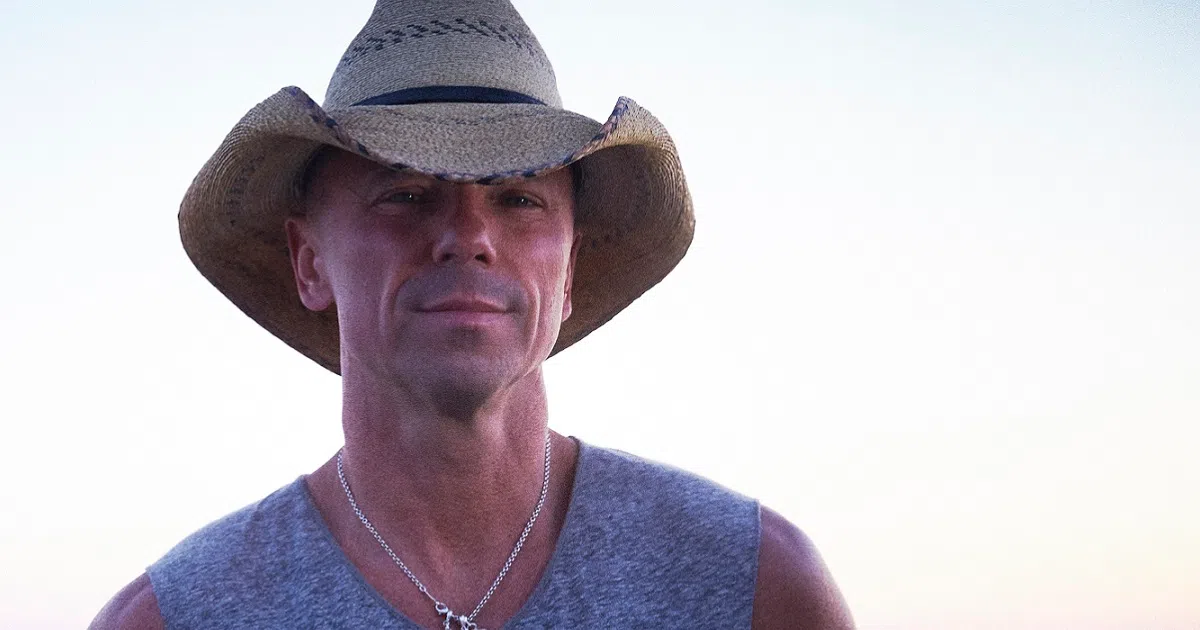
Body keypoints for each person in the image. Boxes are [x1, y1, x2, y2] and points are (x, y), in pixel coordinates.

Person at [91, 1, 854, 628]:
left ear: (570, 267)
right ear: (309, 261)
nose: (468, 236)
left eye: (518, 197)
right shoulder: (175, 618)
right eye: (404, 193)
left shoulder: (752, 589)